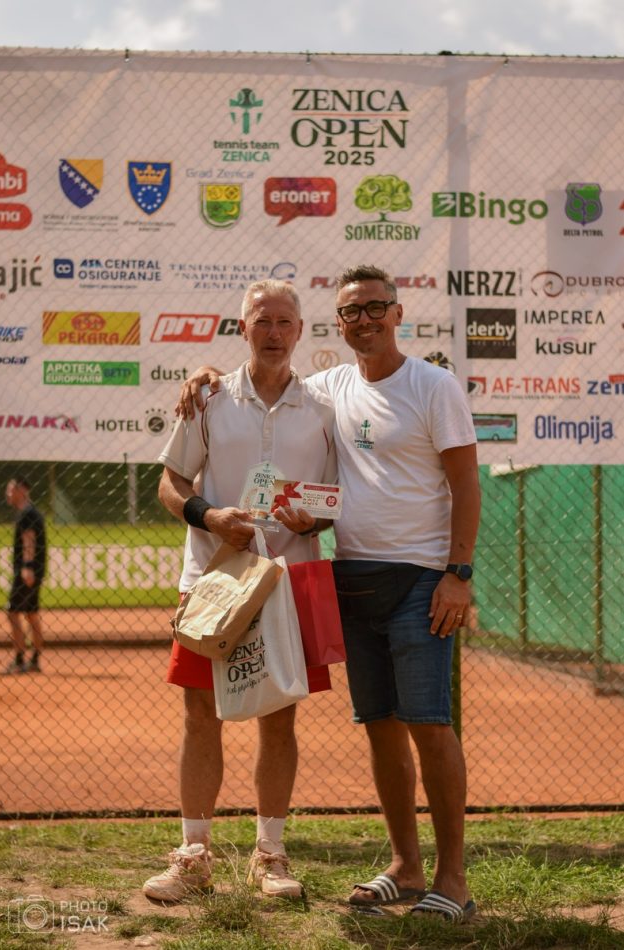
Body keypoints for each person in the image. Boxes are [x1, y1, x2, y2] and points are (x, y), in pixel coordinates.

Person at [177, 265, 481, 924]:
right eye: (351, 312)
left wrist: (458, 573)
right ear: (338, 323)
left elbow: (465, 481)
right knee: (380, 729)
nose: (363, 320)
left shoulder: (433, 385)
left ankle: (453, 879)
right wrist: (206, 377)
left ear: (397, 313)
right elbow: (266, 384)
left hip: (422, 579)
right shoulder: (329, 388)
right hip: (352, 579)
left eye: (375, 307)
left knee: (429, 726)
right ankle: (405, 866)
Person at [143, 279, 336, 904]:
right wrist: (209, 516)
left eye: (284, 321)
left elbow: (331, 503)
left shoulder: (325, 406)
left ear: (300, 330)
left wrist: (313, 522)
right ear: (243, 328)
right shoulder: (208, 398)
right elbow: (170, 483)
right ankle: (193, 856)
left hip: (287, 582)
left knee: (279, 718)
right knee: (200, 717)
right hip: (213, 583)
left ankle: (269, 855)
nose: (273, 332)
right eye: (262, 321)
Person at [1, 477, 47, 675]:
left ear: (22, 490)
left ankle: (19, 659)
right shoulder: (32, 512)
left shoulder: (27, 514)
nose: (8, 494)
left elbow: (29, 540)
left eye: (11, 490)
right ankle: (35, 658)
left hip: (27, 571)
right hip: (35, 570)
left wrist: (27, 567)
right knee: (31, 613)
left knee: (12, 612)